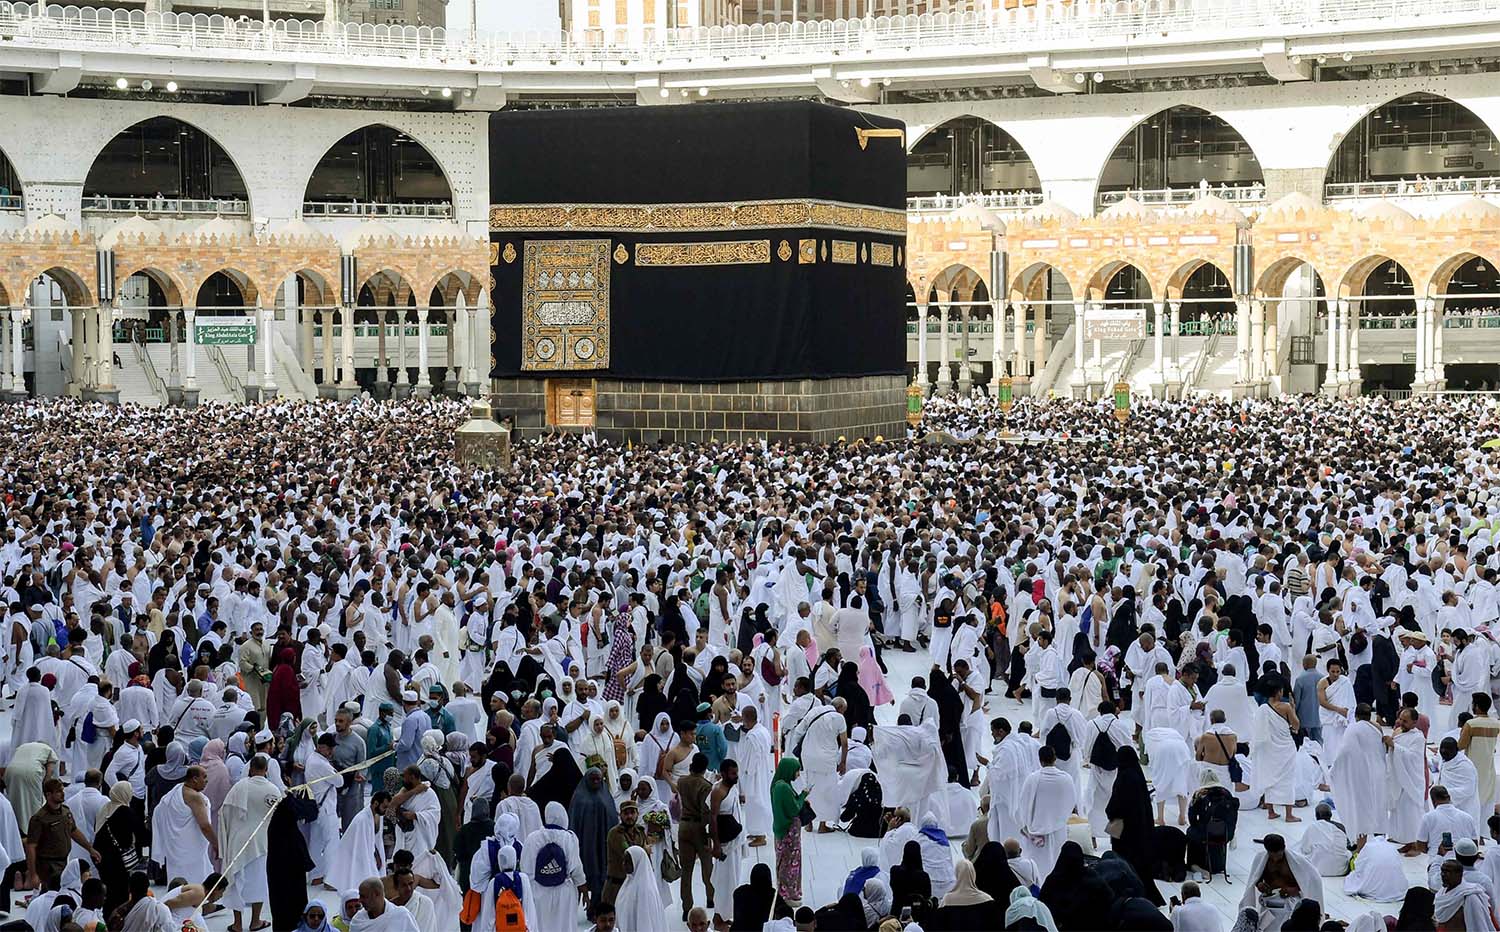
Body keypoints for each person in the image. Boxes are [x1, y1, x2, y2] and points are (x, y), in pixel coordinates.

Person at [218, 753, 281, 932]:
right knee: (259, 881)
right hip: (262, 843)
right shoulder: (273, 790)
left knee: (236, 881)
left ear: (251, 769)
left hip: (239, 840)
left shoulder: (239, 787)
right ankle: (255, 921)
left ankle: (237, 924)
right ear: (267, 770)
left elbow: (225, 813)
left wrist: (227, 836)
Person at [1105, 746, 1163, 906]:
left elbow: (1117, 804)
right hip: (1140, 829)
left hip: (1125, 831)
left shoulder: (1124, 777)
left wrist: (1110, 811)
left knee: (1125, 863)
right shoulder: (1137, 775)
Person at [1238, 834, 1322, 932]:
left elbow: (1310, 880)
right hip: (1269, 901)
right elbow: (1256, 879)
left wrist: (1293, 890)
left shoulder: (1297, 861)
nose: (1275, 859)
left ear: (1283, 849)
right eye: (1272, 856)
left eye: (1278, 856)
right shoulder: (1261, 859)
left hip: (1290, 901)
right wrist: (1260, 885)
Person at [771, 756, 809, 906]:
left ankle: (789, 891)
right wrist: (803, 795)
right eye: (796, 770)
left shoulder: (779, 784)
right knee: (789, 862)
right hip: (788, 832)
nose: (798, 773)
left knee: (785, 861)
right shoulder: (783, 788)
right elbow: (793, 808)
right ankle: (788, 893)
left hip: (784, 830)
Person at [615, 846, 665, 932]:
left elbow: (645, 924)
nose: (623, 864)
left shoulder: (645, 891)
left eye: (628, 862)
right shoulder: (628, 883)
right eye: (623, 861)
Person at [1293, 804, 1350, 878]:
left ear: (1316, 816)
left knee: (1298, 849)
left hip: (1318, 869)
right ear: (1331, 815)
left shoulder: (1313, 827)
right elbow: (1349, 846)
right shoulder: (1341, 827)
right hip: (1341, 869)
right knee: (1348, 853)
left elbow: (1305, 849)